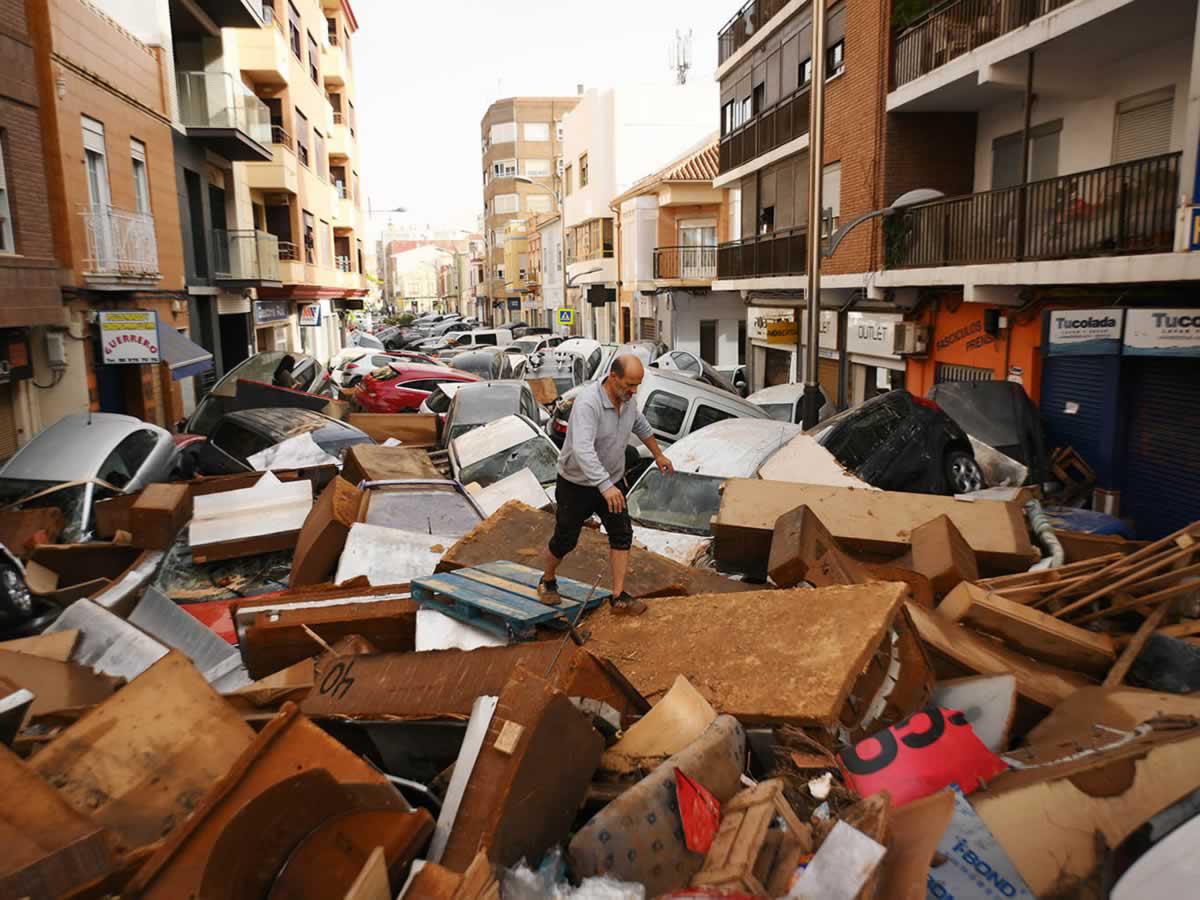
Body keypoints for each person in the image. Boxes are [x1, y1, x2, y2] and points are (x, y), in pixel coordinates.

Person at [540, 353, 674, 615]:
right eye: (629, 385)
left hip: (610, 482)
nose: (634, 391)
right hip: (576, 483)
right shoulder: (588, 404)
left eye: (637, 385)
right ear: (613, 377)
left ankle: (618, 596)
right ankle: (547, 580)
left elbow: (641, 425)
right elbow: (582, 449)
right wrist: (604, 485)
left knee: (621, 534)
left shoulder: (628, 401)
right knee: (565, 539)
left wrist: (658, 454)